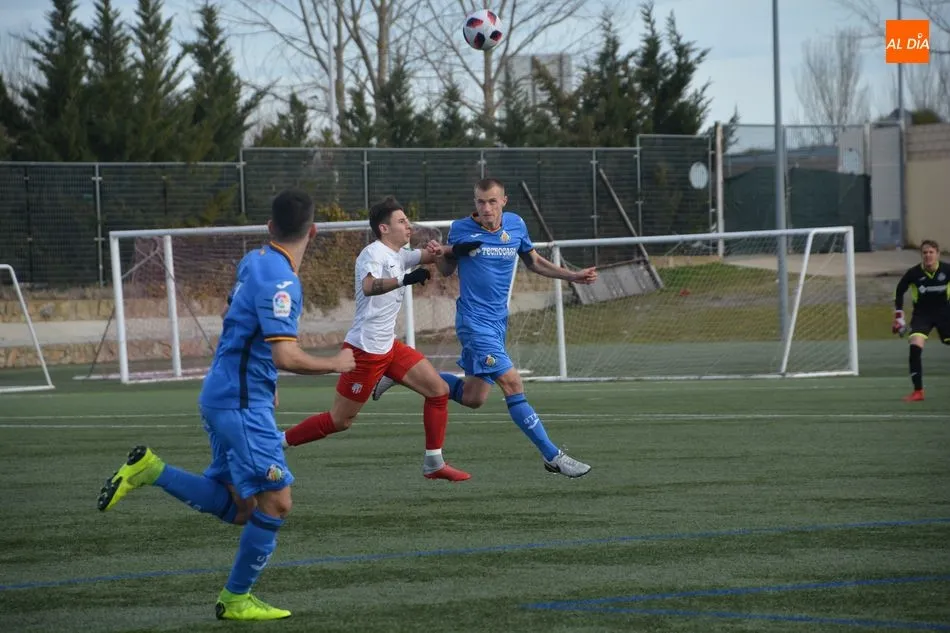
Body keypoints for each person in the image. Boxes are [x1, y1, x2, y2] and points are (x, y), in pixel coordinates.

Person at [96, 188, 356, 621]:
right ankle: (235, 598)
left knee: (240, 507)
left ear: (270, 227)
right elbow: (285, 355)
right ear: (313, 231)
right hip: (240, 404)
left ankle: (150, 469)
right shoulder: (283, 281)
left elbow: (231, 316)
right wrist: (336, 364)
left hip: (224, 393)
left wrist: (263, 378)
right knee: (277, 502)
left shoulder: (254, 260)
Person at [373, 178, 597, 478]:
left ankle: (401, 374)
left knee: (473, 397)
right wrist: (440, 254)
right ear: (475, 203)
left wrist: (573, 276)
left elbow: (533, 261)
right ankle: (552, 456)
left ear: (504, 200)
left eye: (492, 201)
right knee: (513, 383)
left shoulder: (516, 225)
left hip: (497, 323)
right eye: (480, 202)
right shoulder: (461, 228)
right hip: (473, 323)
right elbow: (447, 270)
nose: (486, 208)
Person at [281, 196, 470, 482]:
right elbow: (369, 286)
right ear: (384, 228)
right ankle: (278, 442)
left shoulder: (400, 254)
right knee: (340, 420)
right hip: (365, 350)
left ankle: (434, 462)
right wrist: (404, 280)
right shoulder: (372, 254)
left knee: (438, 391)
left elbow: (433, 256)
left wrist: (454, 249)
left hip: (388, 347)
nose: (408, 225)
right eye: (401, 221)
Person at [892, 239, 950, 401]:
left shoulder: (947, 270)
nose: (928, 255)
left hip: (945, 314)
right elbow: (899, 291)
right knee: (915, 346)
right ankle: (918, 391)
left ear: (938, 254)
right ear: (921, 255)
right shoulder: (914, 273)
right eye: (925, 252)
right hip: (922, 315)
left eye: (931, 252)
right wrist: (899, 316)